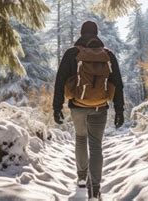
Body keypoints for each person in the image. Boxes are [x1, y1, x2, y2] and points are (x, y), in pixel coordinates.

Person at [53, 20, 125, 200]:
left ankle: (82, 177)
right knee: (95, 145)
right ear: (96, 33)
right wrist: (119, 110)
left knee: (80, 138)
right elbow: (117, 83)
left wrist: (57, 107)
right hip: (100, 106)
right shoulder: (107, 54)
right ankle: (95, 189)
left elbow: (60, 80)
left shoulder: (72, 53)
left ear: (81, 33)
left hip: (77, 105)